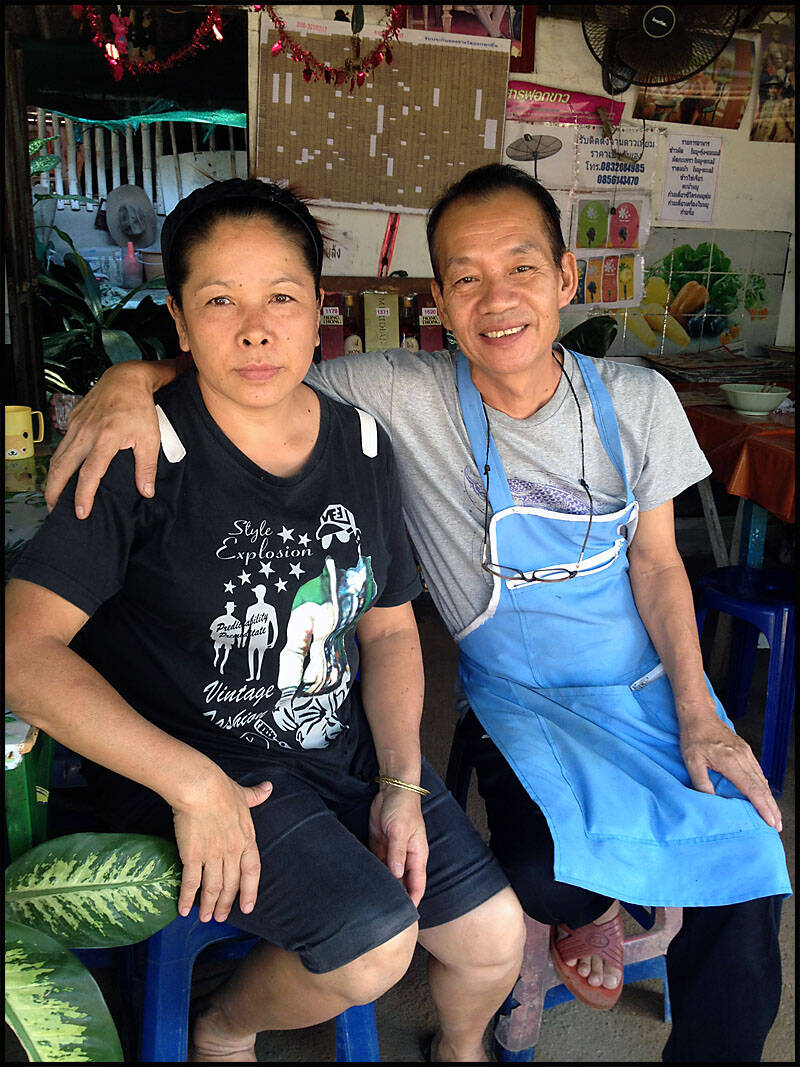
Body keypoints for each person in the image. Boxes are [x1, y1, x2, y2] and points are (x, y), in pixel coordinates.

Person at [42, 165, 790, 1061]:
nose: (497, 300)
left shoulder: (632, 400)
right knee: (534, 880)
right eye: (467, 277)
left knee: (747, 865)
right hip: (516, 703)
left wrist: (700, 710)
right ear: (439, 300)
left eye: (521, 268)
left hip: (640, 685)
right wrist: (131, 378)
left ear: (566, 277)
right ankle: (581, 907)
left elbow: (658, 564)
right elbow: (252, 362)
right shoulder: (397, 393)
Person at [6, 178, 526, 1063]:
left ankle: (463, 1048)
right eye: (220, 301)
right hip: (194, 762)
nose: (255, 329)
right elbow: (22, 652)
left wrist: (402, 779)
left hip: (339, 747)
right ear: (179, 321)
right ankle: (222, 1027)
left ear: (318, 308)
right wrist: (192, 785)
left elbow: (389, 628)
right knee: (375, 946)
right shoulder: (142, 449)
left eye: (281, 297)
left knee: (494, 937)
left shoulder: (362, 444)